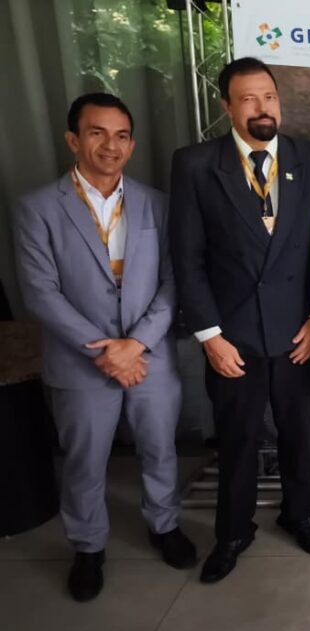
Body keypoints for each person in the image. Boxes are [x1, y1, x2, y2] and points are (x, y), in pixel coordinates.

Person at [15, 93, 196, 601]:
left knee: (160, 448)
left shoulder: (158, 204)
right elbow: (40, 293)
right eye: (97, 133)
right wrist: (105, 351)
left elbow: (174, 281)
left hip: (149, 357)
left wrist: (135, 344)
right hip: (80, 362)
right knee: (84, 460)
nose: (110, 145)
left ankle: (164, 525)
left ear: (132, 145)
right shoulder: (36, 208)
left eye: (121, 136)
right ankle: (88, 546)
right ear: (73, 140)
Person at [170, 57, 310, 583]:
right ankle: (233, 531)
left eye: (269, 97)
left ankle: (299, 514)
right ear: (226, 106)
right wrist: (209, 336)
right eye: (248, 99)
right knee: (237, 439)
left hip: (298, 333)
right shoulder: (195, 164)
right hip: (232, 336)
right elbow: (187, 257)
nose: (262, 108)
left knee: (299, 434)